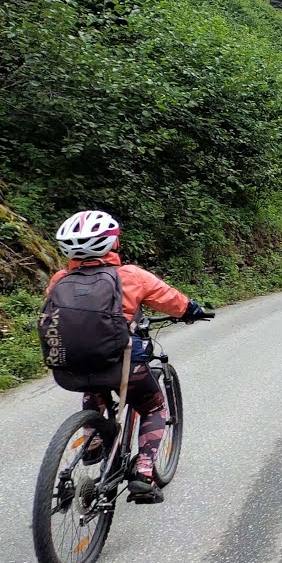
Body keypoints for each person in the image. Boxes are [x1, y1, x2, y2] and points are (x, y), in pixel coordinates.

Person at [45, 210, 207, 503]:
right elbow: (173, 301)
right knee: (152, 406)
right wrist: (191, 310)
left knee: (94, 386)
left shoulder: (59, 280)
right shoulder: (130, 276)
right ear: (113, 243)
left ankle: (93, 437)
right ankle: (144, 472)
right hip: (124, 366)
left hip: (69, 368)